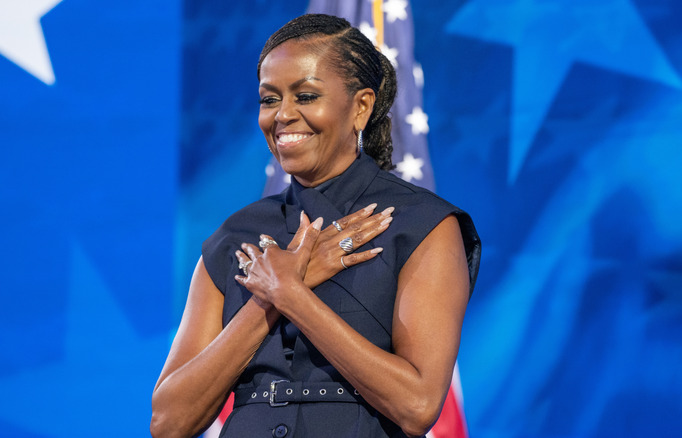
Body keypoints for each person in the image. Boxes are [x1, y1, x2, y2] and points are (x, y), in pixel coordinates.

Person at [151, 14, 480, 438]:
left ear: (361, 106)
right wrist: (267, 301)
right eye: (269, 100)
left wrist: (293, 293)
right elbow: (168, 421)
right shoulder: (236, 236)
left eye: (305, 96)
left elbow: (417, 407)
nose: (283, 115)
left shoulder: (421, 226)